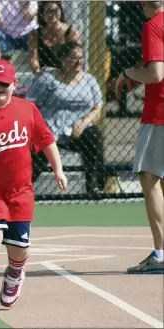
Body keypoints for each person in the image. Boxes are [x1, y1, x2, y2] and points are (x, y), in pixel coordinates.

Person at [0, 59, 67, 316]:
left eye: (4, 84)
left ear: (15, 84)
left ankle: (15, 272)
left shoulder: (27, 109)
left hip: (20, 192)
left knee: (19, 249)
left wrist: (58, 169)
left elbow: (46, 140)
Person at [26, 42, 118, 194]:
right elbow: (29, 103)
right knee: (40, 148)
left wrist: (83, 125)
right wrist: (38, 126)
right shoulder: (48, 79)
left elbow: (97, 107)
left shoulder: (89, 80)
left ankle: (94, 187)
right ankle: (22, 187)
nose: (79, 61)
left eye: (81, 58)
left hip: (77, 131)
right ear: (62, 59)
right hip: (49, 129)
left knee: (94, 135)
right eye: (74, 57)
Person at [115, 1, 164, 274]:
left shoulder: (153, 25)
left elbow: (156, 74)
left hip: (159, 114)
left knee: (149, 177)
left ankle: (161, 254)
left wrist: (127, 73)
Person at [28, 1, 80, 74]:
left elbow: (78, 56)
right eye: (48, 11)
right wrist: (38, 73)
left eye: (55, 10)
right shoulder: (35, 34)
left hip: (66, 73)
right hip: (44, 73)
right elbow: (33, 59)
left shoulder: (70, 32)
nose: (52, 14)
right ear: (42, 14)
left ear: (60, 11)